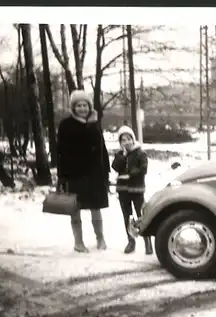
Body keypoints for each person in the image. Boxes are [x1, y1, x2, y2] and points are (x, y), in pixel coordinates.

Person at [57, 90, 110, 253]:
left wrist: (106, 171)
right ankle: (78, 242)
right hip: (74, 174)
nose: (82, 108)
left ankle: (100, 239)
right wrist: (62, 176)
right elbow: (60, 152)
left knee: (96, 207)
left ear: (89, 106)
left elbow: (102, 149)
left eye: (85, 105)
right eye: (78, 105)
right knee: (75, 208)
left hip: (94, 173)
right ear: (73, 107)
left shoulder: (94, 123)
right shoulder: (66, 125)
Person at [111, 125, 153, 255]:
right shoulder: (119, 154)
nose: (126, 142)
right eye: (123, 140)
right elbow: (116, 167)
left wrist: (130, 174)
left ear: (133, 139)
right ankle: (131, 241)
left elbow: (143, 169)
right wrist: (123, 156)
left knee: (141, 215)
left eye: (129, 139)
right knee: (127, 216)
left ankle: (147, 242)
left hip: (137, 189)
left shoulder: (140, 153)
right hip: (123, 190)